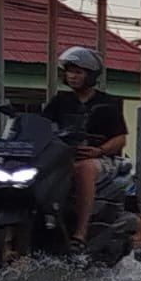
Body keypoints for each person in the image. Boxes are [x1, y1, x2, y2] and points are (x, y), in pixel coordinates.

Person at [40, 46, 128, 253]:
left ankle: (80, 232)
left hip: (100, 159)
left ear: (91, 75)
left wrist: (99, 151)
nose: (72, 76)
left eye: (78, 72)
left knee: (84, 168)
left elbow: (120, 138)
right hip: (62, 157)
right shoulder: (59, 101)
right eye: (70, 71)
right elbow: (42, 126)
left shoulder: (108, 103)